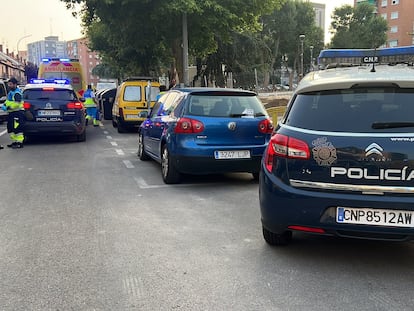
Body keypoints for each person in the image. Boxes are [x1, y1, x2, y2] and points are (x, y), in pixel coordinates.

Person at [2, 77, 25, 149]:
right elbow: (8, 101)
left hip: (17, 113)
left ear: (15, 84)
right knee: (12, 128)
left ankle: (19, 142)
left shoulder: (17, 93)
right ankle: (15, 141)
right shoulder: (11, 93)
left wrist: (9, 107)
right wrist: (4, 106)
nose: (9, 86)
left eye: (11, 84)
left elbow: (17, 103)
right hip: (12, 113)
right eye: (9, 84)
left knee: (17, 128)